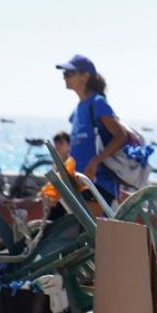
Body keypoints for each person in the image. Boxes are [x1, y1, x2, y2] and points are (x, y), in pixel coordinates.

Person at [57, 54, 128, 206]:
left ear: (85, 76)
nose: (65, 77)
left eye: (69, 73)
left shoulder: (97, 103)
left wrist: (95, 162)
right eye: (64, 74)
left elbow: (121, 136)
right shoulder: (77, 110)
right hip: (80, 183)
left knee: (92, 230)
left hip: (98, 184)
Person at [40, 131, 75, 221]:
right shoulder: (57, 163)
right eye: (56, 143)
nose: (57, 146)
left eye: (61, 143)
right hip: (57, 202)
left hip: (66, 203)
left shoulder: (71, 162)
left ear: (69, 144)